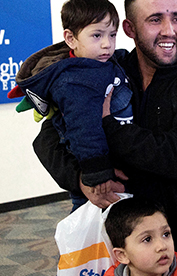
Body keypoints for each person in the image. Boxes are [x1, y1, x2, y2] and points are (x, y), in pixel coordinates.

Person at [32, 0, 177, 276]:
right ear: (129, 28)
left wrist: (113, 129)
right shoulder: (103, 72)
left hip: (176, 251)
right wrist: (84, 179)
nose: (169, 30)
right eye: (154, 20)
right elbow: (47, 139)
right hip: (111, 248)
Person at [10, 0, 132, 210]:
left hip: (114, 170)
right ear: (70, 38)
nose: (107, 44)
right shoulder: (73, 81)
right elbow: (84, 129)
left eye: (112, 35)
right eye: (97, 35)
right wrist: (98, 173)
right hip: (96, 180)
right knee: (93, 233)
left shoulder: (104, 63)